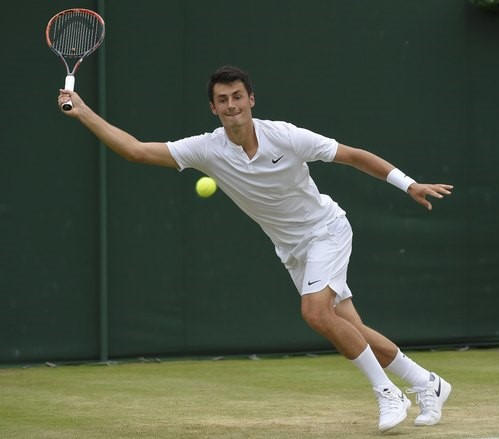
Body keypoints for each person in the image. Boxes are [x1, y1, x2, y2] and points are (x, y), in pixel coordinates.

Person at [57, 65, 454, 432]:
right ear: (213, 108)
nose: (232, 105)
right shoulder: (206, 149)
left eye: (237, 96)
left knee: (315, 313)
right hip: (292, 250)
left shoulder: (285, 136)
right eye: (223, 99)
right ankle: (427, 383)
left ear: (251, 99)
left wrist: (408, 184)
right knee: (351, 328)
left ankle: (388, 393)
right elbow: (136, 150)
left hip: (326, 231)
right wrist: (83, 112)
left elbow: (352, 156)